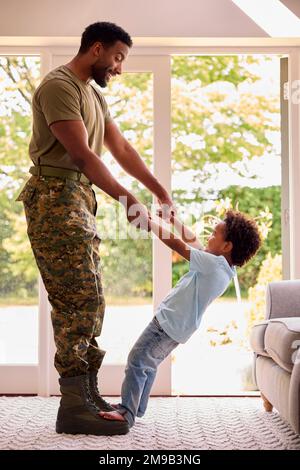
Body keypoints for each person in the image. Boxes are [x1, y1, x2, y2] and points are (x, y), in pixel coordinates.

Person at [15, 22, 174, 436]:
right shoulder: (59, 86)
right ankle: (73, 407)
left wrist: (158, 191)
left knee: (92, 297)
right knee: (76, 299)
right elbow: (84, 156)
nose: (120, 67)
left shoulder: (92, 95)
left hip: (78, 200)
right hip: (55, 197)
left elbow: (119, 149)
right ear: (96, 49)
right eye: (118, 57)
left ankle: (85, 394)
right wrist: (129, 200)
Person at [99, 210, 261, 429]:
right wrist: (173, 220)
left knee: (137, 360)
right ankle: (135, 407)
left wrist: (151, 225)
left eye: (215, 233)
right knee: (148, 364)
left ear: (227, 246)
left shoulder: (212, 265)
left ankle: (127, 412)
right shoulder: (223, 268)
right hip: (177, 327)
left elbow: (179, 245)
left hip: (167, 324)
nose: (209, 237)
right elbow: (192, 239)